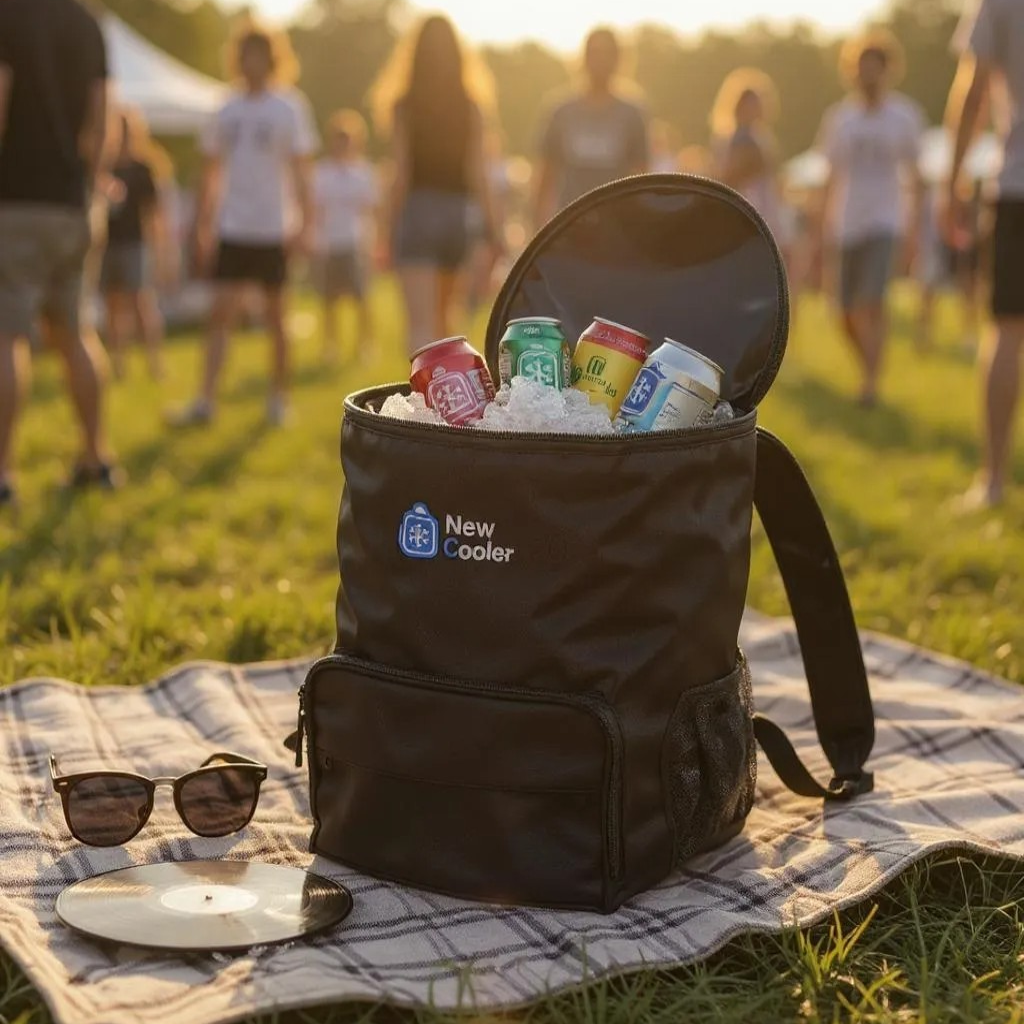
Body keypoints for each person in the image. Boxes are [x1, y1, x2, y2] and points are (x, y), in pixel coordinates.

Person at [0, 0, 120, 508]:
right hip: (73, 204)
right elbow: (102, 116)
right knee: (74, 333)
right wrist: (89, 186)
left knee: (6, 335)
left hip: (15, 201)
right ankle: (96, 457)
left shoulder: (8, 15)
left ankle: (1, 471)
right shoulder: (88, 22)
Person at [174, 22, 317, 428]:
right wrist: (200, 224)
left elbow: (303, 172)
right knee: (220, 314)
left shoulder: (289, 107)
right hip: (232, 228)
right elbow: (210, 172)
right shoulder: (226, 108)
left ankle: (278, 398)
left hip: (273, 230)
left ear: (273, 59)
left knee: (276, 318)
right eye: (246, 54)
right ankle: (205, 400)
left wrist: (305, 224)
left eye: (260, 54)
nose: (252, 62)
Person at [371, 15, 501, 353]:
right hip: (457, 216)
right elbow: (478, 172)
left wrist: (384, 230)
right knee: (446, 324)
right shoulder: (470, 106)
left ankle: (420, 404)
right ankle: (450, 401)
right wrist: (493, 229)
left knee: (419, 326)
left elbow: (401, 173)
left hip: (418, 212)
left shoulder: (405, 105)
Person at [816, 30, 925, 407]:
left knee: (872, 303)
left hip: (886, 221)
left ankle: (871, 385)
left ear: (888, 71)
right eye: (863, 69)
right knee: (843, 312)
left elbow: (916, 178)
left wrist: (913, 232)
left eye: (876, 69)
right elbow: (829, 179)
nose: (869, 76)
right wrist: (820, 230)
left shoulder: (904, 116)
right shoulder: (840, 120)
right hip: (847, 224)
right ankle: (869, 368)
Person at [945, 0, 1024, 507]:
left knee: (1008, 329)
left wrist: (952, 180)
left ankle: (993, 480)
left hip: (1018, 184)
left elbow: (973, 91)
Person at [533, 27, 650, 227]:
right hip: (570, 223)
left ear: (618, 59)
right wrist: (538, 225)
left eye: (608, 53)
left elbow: (642, 177)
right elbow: (546, 174)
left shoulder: (632, 114)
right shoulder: (561, 112)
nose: (601, 60)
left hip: (617, 224)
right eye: (595, 53)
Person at [101, 108, 176, 380]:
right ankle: (117, 364)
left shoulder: (142, 169)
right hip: (107, 244)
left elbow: (154, 215)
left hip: (135, 244)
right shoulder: (103, 166)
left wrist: (162, 251)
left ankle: (154, 362)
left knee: (141, 304)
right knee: (112, 306)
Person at [313, 109, 379, 365]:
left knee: (361, 297)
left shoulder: (363, 173)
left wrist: (372, 242)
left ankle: (365, 343)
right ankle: (331, 346)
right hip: (328, 243)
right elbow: (317, 209)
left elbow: (369, 210)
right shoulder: (322, 173)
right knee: (329, 299)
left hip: (355, 242)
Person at [711, 68, 792, 262]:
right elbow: (728, 175)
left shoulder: (761, 138)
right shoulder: (736, 139)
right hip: (746, 208)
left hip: (763, 207)